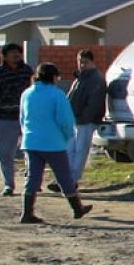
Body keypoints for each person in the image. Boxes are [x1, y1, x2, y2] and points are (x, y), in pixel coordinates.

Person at [17, 63, 93, 224]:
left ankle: (27, 213)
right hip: (53, 142)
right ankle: (77, 208)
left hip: (31, 141)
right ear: (53, 77)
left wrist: (26, 134)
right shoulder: (56, 94)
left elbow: (23, 118)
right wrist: (68, 136)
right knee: (64, 176)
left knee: (33, 177)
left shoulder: (27, 94)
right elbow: (65, 120)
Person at [0, 42, 33, 196]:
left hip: (27, 119)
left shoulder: (28, 72)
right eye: (12, 52)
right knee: (5, 153)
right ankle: (9, 185)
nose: (16, 55)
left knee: (32, 152)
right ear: (4, 56)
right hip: (5, 119)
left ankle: (31, 183)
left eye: (18, 52)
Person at [64, 49, 106, 186]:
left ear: (92, 62)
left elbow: (94, 102)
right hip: (75, 120)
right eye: (80, 62)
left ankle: (72, 179)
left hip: (86, 121)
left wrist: (84, 118)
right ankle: (66, 178)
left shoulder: (96, 78)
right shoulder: (81, 78)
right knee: (69, 149)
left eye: (85, 62)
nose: (82, 65)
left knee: (80, 151)